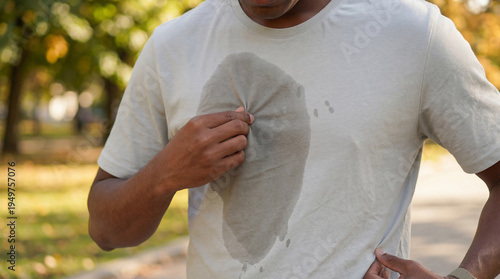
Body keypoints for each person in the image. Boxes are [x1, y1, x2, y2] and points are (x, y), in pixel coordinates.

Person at [87, 0, 500, 278]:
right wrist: (165, 173)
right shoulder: (174, 45)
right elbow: (107, 231)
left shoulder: (413, 33)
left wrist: (465, 275)